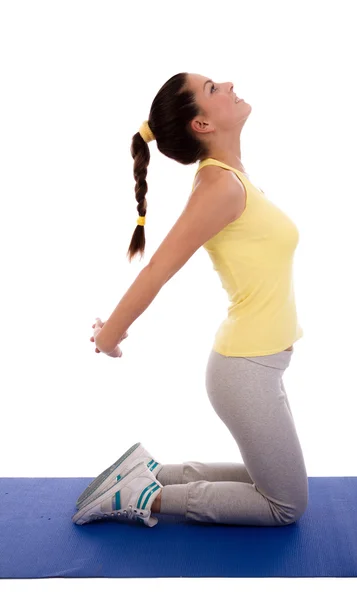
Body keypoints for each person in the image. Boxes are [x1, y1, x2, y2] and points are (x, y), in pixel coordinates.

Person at [73, 73, 308, 528]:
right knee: (286, 505)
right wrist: (110, 337)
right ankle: (142, 495)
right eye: (213, 89)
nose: (228, 83)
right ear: (201, 125)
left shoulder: (231, 179)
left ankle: (152, 473)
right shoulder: (219, 187)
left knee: (270, 478)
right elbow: (158, 270)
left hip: (259, 364)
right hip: (247, 369)